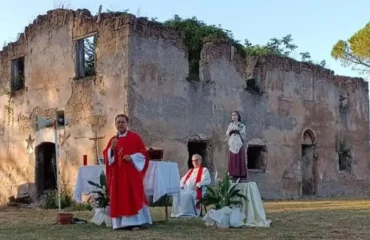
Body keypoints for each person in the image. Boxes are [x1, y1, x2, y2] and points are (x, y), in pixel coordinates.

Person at [102, 114, 152, 230]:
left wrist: (133, 157)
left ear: (127, 124)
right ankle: (120, 223)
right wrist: (111, 150)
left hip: (131, 175)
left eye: (123, 122)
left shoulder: (135, 138)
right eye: (118, 122)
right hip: (118, 175)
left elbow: (144, 154)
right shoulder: (113, 140)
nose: (120, 124)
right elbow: (106, 156)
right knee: (119, 197)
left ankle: (136, 222)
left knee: (132, 196)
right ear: (115, 125)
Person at [226, 111, 247, 181]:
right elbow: (227, 133)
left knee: (239, 158)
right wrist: (231, 131)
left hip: (238, 142)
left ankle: (240, 174)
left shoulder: (242, 124)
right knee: (232, 158)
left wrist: (236, 130)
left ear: (238, 116)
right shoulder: (230, 124)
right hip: (232, 142)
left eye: (235, 115)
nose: (233, 116)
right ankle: (232, 173)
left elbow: (243, 132)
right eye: (232, 115)